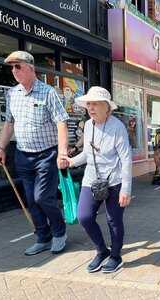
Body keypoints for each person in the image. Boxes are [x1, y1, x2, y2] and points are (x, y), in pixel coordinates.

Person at [0, 51, 69, 256]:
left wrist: (62, 153)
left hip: (47, 155)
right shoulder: (12, 94)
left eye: (18, 66)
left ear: (31, 68)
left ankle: (59, 232)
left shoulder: (48, 92)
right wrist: (1, 148)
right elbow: (9, 123)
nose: (14, 71)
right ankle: (43, 238)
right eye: (12, 67)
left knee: (43, 196)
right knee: (31, 199)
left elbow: (61, 122)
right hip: (23, 155)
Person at [62, 86, 132, 274]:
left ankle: (116, 256)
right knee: (84, 216)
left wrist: (126, 189)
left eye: (95, 104)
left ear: (107, 107)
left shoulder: (118, 127)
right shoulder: (89, 125)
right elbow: (87, 153)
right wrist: (71, 162)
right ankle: (102, 251)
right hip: (92, 179)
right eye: (89, 104)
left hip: (115, 180)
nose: (91, 108)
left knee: (113, 220)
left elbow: (126, 159)